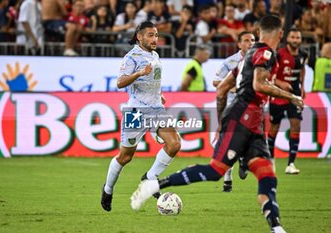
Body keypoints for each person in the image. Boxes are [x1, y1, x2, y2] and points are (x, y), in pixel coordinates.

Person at [130, 15, 304, 233]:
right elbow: (259, 85)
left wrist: (222, 122)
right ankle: (153, 185)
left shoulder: (247, 57)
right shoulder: (266, 54)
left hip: (250, 123)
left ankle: (277, 228)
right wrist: (292, 96)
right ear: (280, 34)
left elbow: (222, 89)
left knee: (267, 174)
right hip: (243, 119)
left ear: (258, 33)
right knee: (215, 171)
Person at [101, 21, 181, 212]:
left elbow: (152, 81)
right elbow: (120, 83)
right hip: (135, 113)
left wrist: (157, 95)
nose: (155, 39)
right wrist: (138, 73)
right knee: (125, 157)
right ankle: (108, 189)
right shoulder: (132, 57)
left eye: (156, 35)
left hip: (156, 110)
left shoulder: (155, 55)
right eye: (151, 35)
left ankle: (150, 177)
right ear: (140, 37)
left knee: (174, 143)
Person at [213, 31, 255, 192]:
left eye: (252, 40)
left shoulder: (259, 61)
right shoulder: (230, 62)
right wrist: (232, 87)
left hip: (253, 108)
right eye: (246, 40)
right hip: (233, 108)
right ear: (239, 44)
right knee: (228, 141)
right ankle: (228, 179)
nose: (250, 43)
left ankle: (244, 161)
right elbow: (216, 81)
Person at [268, 28, 308, 174]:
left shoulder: (303, 54)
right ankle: (271, 160)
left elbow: (302, 69)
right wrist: (280, 82)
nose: (296, 40)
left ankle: (291, 164)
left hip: (294, 94)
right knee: (274, 128)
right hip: (278, 94)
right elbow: (270, 74)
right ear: (288, 39)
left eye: (298, 37)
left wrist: (303, 86)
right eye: (293, 37)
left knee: (296, 125)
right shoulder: (279, 55)